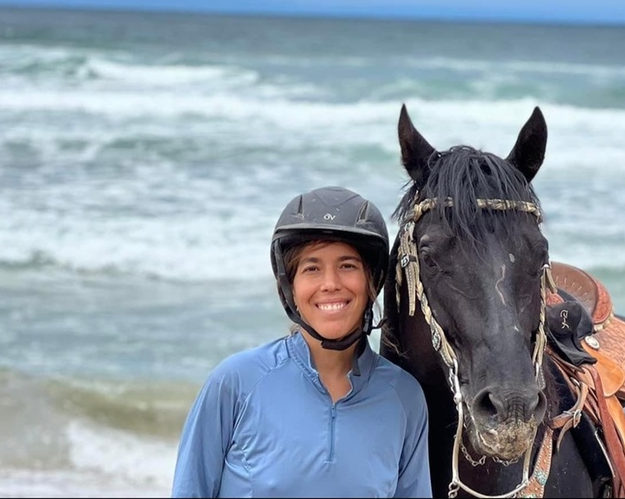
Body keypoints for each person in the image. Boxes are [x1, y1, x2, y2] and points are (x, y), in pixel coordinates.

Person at [171, 186, 431, 498]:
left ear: (371, 280)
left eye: (347, 265)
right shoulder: (236, 383)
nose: (331, 284)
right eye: (312, 268)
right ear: (290, 286)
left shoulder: (404, 398)